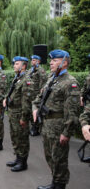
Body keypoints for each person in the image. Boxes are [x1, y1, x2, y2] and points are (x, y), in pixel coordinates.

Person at [32, 50, 80, 189]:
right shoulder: (51, 79)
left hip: (59, 127)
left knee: (59, 159)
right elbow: (38, 99)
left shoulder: (70, 82)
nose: (51, 63)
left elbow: (73, 111)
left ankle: (60, 185)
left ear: (64, 63)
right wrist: (35, 108)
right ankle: (55, 183)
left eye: (55, 60)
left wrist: (67, 132)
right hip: (47, 126)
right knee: (50, 157)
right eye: (51, 60)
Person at [3, 56, 33, 172]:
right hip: (12, 112)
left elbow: (26, 102)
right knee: (15, 136)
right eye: (14, 63)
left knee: (22, 138)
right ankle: (18, 158)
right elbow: (12, 92)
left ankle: (23, 162)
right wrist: (6, 99)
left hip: (20, 113)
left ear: (23, 66)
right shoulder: (17, 78)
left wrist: (24, 117)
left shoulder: (26, 80)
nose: (14, 65)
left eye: (17, 64)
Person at [27, 55, 47, 136]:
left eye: (34, 60)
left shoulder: (40, 70)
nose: (32, 61)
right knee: (29, 110)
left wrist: (40, 93)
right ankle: (32, 126)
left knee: (35, 111)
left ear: (38, 61)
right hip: (29, 93)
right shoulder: (30, 70)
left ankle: (36, 128)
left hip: (36, 94)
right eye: (32, 60)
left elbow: (43, 82)